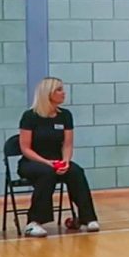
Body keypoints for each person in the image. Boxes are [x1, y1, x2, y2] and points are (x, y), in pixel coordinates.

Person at [17, 77, 100, 235]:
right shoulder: (30, 116)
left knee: (76, 171)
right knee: (46, 173)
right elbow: (25, 148)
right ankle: (34, 222)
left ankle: (88, 218)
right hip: (32, 161)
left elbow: (67, 144)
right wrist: (46, 162)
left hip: (57, 160)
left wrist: (66, 162)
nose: (63, 93)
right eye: (59, 90)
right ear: (48, 93)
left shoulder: (65, 115)